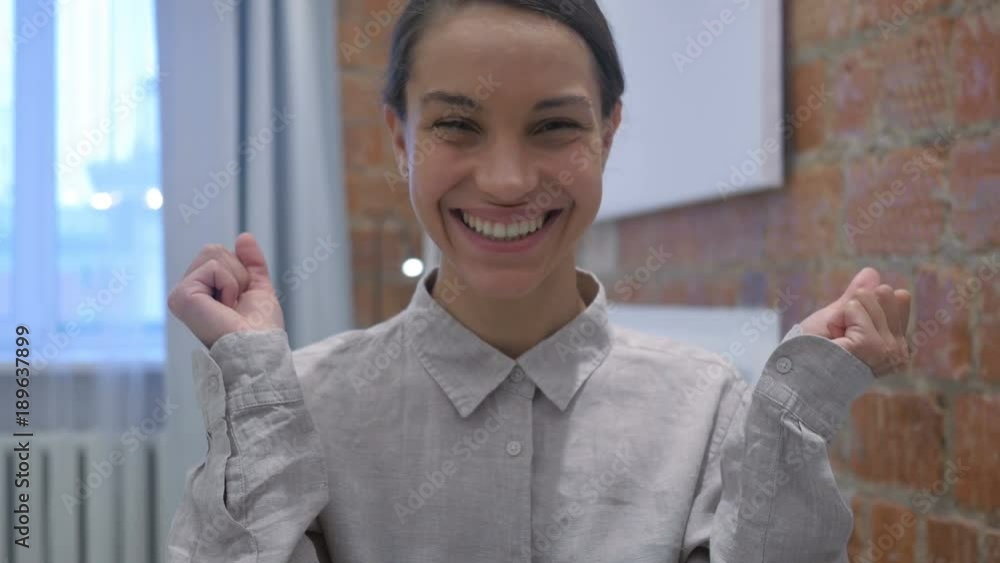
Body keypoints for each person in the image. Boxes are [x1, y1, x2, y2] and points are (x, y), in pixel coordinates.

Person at [164, 1, 912, 561]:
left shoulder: (707, 403)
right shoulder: (301, 405)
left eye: (554, 127)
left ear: (607, 135)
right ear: (400, 138)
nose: (508, 180)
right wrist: (254, 385)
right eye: (457, 125)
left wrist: (794, 408)